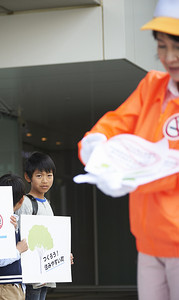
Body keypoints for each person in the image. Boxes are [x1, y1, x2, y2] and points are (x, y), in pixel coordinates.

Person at [78, 0, 179, 298]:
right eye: (162, 46)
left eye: (177, 46)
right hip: (148, 242)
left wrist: (132, 176)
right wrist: (96, 152)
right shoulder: (152, 86)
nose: (169, 57)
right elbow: (112, 126)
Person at [15, 151, 73, 300]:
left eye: (49, 175)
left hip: (45, 273)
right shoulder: (26, 203)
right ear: (28, 177)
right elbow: (19, 235)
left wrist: (63, 255)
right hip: (31, 275)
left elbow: (51, 237)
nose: (45, 180)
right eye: (39, 176)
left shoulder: (47, 203)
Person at [0, 173, 28, 300]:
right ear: (21, 200)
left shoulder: (6, 221)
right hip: (3, 287)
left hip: (9, 286)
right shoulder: (0, 222)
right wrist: (18, 250)